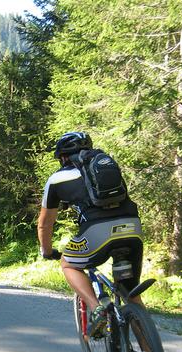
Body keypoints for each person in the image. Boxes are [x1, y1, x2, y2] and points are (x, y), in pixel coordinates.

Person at [38, 132, 143, 337]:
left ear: (63, 157)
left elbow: (45, 224)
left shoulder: (57, 179)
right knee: (131, 293)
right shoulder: (106, 166)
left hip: (97, 232)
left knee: (68, 264)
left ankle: (97, 309)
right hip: (132, 227)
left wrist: (47, 251)